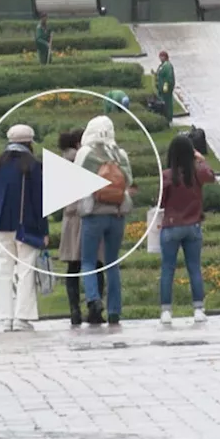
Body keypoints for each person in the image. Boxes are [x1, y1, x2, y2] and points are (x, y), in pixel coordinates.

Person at [0, 124, 48, 331]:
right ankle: (22, 316)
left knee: (3, 271)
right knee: (26, 270)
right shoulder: (33, 165)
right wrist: (44, 230)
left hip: (1, 226)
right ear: (29, 142)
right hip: (26, 227)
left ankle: (4, 316)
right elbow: (40, 200)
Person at [74, 115, 133, 326]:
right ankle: (115, 311)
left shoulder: (86, 152)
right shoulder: (121, 154)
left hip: (94, 214)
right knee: (112, 263)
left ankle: (94, 299)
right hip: (117, 214)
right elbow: (129, 180)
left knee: (88, 261)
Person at [158, 134, 216, 326]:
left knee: (168, 269)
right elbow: (211, 176)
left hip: (171, 226)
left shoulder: (167, 175)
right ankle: (198, 309)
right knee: (194, 268)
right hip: (193, 226)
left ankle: (166, 311)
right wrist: (201, 159)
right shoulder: (197, 173)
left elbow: (161, 202)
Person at [56, 129, 105, 326]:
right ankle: (94, 308)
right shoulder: (87, 160)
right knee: (96, 264)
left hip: (70, 218)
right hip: (90, 215)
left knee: (73, 266)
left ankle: (74, 310)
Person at [155, 50, 175, 123]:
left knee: (167, 103)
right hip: (161, 88)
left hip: (166, 89)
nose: (160, 58)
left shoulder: (168, 66)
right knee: (162, 102)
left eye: (161, 56)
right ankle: (164, 116)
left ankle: (169, 117)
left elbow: (169, 77)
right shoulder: (162, 65)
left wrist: (166, 85)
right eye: (160, 56)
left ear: (165, 57)